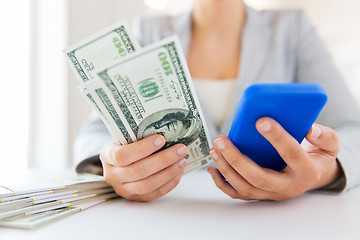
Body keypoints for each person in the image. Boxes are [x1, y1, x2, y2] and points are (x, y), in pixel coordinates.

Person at [74, 0, 360, 201]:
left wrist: (321, 172)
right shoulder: (149, 32)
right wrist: (116, 167)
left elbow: (352, 129)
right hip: (169, 218)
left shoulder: (292, 29)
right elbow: (94, 135)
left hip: (271, 224)